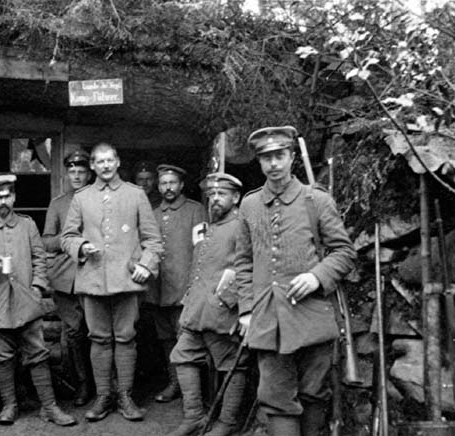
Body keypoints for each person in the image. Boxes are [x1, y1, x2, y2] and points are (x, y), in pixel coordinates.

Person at [235, 126, 356, 436]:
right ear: (259, 163)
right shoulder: (249, 205)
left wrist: (317, 277)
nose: (273, 164)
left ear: (291, 157)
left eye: (279, 156)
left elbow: (344, 252)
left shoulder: (315, 200)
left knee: (314, 392)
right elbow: (244, 262)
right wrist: (247, 310)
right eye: (266, 158)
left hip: (311, 315)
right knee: (275, 396)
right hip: (268, 319)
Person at [61, 143, 163, 422]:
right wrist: (81, 247)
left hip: (127, 281)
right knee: (99, 339)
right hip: (92, 280)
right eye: (99, 162)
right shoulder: (82, 198)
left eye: (110, 160)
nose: (105, 166)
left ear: (117, 163)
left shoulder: (136, 194)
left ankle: (126, 396)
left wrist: (146, 264)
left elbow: (153, 240)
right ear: (92, 166)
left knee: (126, 338)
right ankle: (103, 395)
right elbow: (67, 236)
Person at [0, 175, 76, 427]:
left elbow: (40, 259)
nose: (4, 201)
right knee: (2, 358)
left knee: (37, 354)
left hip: (26, 302)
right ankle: (9, 405)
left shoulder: (28, 225)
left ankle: (49, 407)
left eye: (8, 195)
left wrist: (37, 288)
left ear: (14, 197)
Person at [167, 173, 252, 436]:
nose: (215, 199)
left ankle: (227, 422)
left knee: (232, 365)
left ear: (236, 198)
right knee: (181, 355)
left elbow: (252, 268)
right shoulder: (210, 227)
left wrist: (228, 302)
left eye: (221, 194)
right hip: (197, 311)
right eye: (211, 195)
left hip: (223, 314)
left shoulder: (242, 226)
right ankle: (194, 416)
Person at [149, 164, 206, 404]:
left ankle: (192, 392)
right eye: (163, 183)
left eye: (172, 183)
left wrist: (193, 287)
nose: (168, 187)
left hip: (184, 288)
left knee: (187, 340)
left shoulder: (196, 210)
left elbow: (202, 250)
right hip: (159, 290)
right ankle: (175, 384)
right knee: (166, 339)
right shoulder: (152, 214)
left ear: (181, 185)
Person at [42, 149, 93, 406]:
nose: (76, 175)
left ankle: (107, 385)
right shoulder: (58, 203)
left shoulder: (99, 199)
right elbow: (46, 241)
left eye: (81, 171)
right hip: (65, 277)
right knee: (73, 333)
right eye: (72, 171)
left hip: (95, 274)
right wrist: (70, 242)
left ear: (89, 172)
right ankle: (82, 384)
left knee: (99, 331)